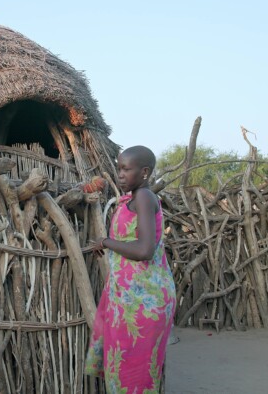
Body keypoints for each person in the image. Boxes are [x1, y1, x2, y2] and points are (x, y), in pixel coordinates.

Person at [85, 145, 177, 392]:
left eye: (126, 169)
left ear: (144, 172)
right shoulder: (133, 199)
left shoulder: (144, 197)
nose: (120, 175)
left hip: (144, 300)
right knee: (124, 372)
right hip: (129, 297)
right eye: (119, 168)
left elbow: (145, 250)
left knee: (134, 375)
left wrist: (106, 242)